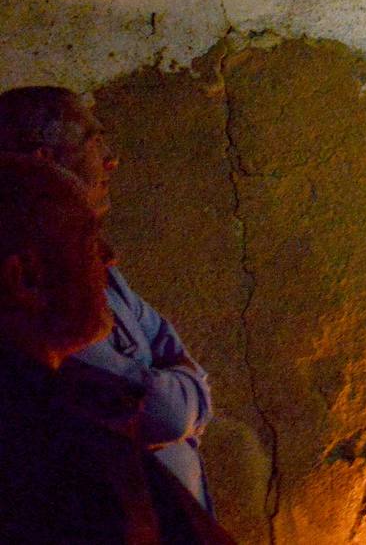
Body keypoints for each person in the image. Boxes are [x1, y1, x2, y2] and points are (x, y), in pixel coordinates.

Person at [0, 86, 214, 511]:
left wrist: (177, 392)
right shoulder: (52, 298)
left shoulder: (91, 269)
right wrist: (179, 392)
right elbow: (162, 414)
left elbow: (172, 367)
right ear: (43, 161)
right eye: (94, 143)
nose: (111, 160)